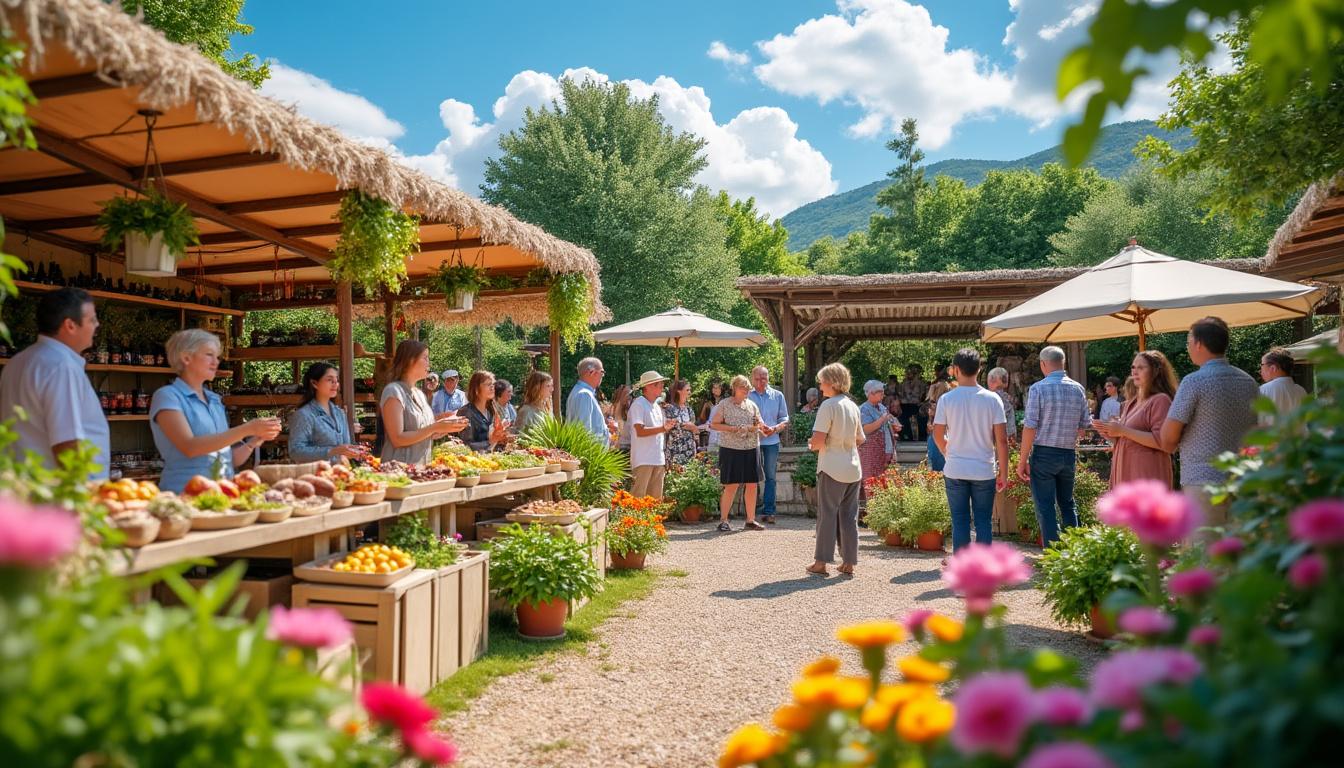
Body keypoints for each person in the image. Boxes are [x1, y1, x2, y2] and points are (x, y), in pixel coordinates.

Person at [1158, 317, 1259, 529]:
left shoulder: (1194, 381)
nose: (1188, 348)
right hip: (1243, 478)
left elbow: (1167, 439)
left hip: (1202, 480)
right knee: (1238, 553)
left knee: (1205, 553)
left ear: (1199, 344)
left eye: (1188, 342)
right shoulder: (1248, 381)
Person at [150, 329, 280, 493]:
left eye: (217, 357)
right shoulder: (167, 396)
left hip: (222, 495)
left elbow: (228, 459)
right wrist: (247, 428)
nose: (216, 362)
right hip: (184, 496)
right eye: (209, 355)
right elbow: (190, 447)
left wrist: (254, 440)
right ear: (186, 357)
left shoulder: (214, 400)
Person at [0, 287, 109, 480]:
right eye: (92, 320)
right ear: (70, 325)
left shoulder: (17, 362)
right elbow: (67, 443)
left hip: (23, 487)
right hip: (58, 495)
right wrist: (81, 497)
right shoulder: (61, 366)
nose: (97, 325)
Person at [933, 349, 1009, 553]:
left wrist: (947, 452)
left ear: (955, 370)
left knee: (960, 521)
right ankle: (983, 568)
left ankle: (962, 568)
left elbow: (937, 435)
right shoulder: (993, 399)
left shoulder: (947, 399)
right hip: (983, 468)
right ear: (980, 369)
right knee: (983, 521)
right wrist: (1004, 471)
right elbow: (1001, 440)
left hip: (956, 467)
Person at [1016, 345, 1091, 546]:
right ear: (1063, 363)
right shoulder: (1078, 388)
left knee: (1046, 506)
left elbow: (1030, 426)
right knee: (1067, 503)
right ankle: (1076, 550)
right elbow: (1084, 427)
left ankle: (1053, 553)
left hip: (1044, 453)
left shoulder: (1038, 388)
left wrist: (1022, 460)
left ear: (1043, 364)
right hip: (1068, 454)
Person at [807, 363, 865, 576]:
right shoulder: (852, 406)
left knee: (827, 514)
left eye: (822, 382)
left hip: (832, 466)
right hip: (853, 466)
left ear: (831, 382)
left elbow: (818, 440)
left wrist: (811, 445)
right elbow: (861, 438)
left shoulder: (828, 406)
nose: (820, 386)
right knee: (849, 516)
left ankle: (821, 562)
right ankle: (849, 562)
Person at [1093, 350, 1178, 488]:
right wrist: (1110, 433)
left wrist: (1123, 430)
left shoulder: (1160, 400)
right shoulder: (1132, 402)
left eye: (1141, 367)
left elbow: (1164, 442)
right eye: (1133, 367)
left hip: (1147, 478)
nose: (1135, 372)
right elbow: (1127, 439)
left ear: (1155, 371)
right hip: (1126, 472)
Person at [380, 340, 466, 465]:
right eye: (425, 358)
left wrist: (446, 426)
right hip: (398, 472)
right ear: (410, 361)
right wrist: (435, 427)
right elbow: (397, 439)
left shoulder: (419, 394)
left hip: (420, 471)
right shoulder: (393, 391)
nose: (429, 364)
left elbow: (425, 433)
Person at [711, 375, 766, 532]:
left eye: (748, 388)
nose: (746, 390)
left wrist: (758, 426)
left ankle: (750, 520)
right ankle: (724, 520)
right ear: (734, 388)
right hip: (730, 448)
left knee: (752, 484)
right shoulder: (724, 404)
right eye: (743, 387)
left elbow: (759, 423)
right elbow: (714, 424)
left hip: (751, 447)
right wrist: (732, 428)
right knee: (731, 484)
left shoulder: (752, 405)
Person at [288, 362, 362, 462]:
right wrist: (332, 451)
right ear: (314, 383)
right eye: (329, 379)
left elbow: (346, 447)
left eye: (337, 380)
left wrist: (355, 451)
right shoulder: (304, 415)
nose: (335, 383)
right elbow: (295, 452)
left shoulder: (340, 413)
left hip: (340, 473)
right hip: (315, 474)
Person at [748, 366, 790, 525]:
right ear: (752, 379)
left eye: (763, 378)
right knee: (751, 477)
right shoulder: (747, 396)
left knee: (770, 477)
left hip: (772, 441)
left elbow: (784, 418)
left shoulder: (778, 396)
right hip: (753, 441)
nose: (760, 381)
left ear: (768, 378)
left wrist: (776, 429)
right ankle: (751, 511)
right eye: (757, 378)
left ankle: (769, 511)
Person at [628, 370, 675, 497]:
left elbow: (660, 429)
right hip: (643, 459)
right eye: (658, 384)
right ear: (648, 386)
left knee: (655, 501)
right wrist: (663, 428)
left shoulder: (656, 406)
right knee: (638, 499)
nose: (662, 387)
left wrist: (667, 426)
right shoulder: (638, 404)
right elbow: (640, 431)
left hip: (658, 459)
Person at [858, 380, 898, 492]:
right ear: (871, 393)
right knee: (871, 484)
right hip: (870, 452)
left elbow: (886, 423)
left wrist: (893, 425)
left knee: (885, 485)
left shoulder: (881, 407)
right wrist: (882, 419)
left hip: (885, 451)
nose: (883, 395)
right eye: (880, 392)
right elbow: (866, 429)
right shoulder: (864, 409)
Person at [461, 370, 511, 452]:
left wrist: (502, 436)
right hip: (474, 463)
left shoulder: (491, 410)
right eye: (488, 384)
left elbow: (493, 440)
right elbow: (465, 446)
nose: (492, 387)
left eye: (493, 384)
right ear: (476, 389)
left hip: (492, 460)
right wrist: (491, 441)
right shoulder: (466, 413)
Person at [565, 357, 609, 446]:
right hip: (591, 455)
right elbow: (583, 431)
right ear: (591, 372)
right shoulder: (584, 394)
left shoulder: (581, 392)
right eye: (602, 372)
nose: (602, 376)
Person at [1258, 347, 1306, 424]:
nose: (1260, 370)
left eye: (1262, 365)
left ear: (1273, 368)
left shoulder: (1263, 390)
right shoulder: (1301, 391)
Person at [662, 379, 699, 467]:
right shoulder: (669, 409)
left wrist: (694, 428)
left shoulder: (689, 409)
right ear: (679, 391)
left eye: (690, 390)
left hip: (689, 449)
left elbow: (695, 429)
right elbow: (667, 428)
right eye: (687, 390)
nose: (690, 392)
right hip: (675, 449)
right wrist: (685, 425)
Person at [924, 365, 954, 470]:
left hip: (939, 434)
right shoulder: (943, 387)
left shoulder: (941, 387)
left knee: (938, 464)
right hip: (937, 434)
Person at [986, 366, 1017, 445]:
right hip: (1003, 440)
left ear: (992, 380)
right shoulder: (1008, 398)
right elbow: (1011, 425)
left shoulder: (987, 398)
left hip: (988, 441)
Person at [898, 365, 929, 441]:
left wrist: (923, 403)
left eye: (911, 372)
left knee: (920, 420)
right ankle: (905, 435)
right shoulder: (903, 384)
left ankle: (921, 436)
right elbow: (900, 394)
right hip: (905, 405)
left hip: (917, 405)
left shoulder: (923, 384)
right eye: (908, 372)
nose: (909, 374)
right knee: (904, 420)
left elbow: (926, 395)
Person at [698, 379, 725, 449]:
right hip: (710, 434)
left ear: (722, 389)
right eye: (714, 388)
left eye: (718, 388)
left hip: (721, 434)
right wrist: (705, 407)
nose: (715, 390)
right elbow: (701, 419)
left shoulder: (725, 402)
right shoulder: (708, 403)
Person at [612, 384, 633, 454]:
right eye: (627, 394)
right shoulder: (614, 409)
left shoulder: (629, 410)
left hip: (628, 447)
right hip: (618, 447)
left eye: (630, 395)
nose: (629, 397)